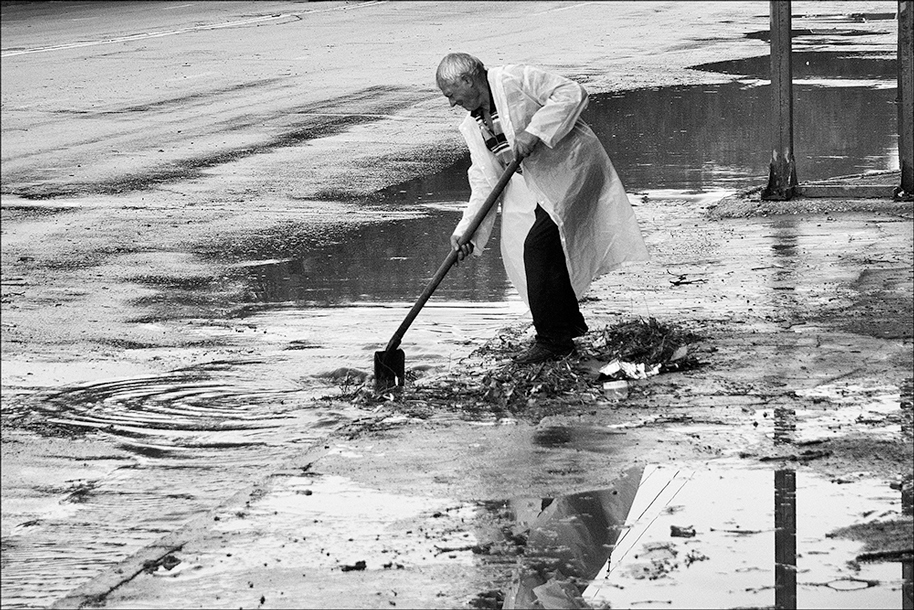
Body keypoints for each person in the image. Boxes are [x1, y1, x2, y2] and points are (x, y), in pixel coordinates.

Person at [437, 53, 649, 365]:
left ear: (467, 80)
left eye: (451, 94)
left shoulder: (514, 79)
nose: (452, 103)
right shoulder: (474, 127)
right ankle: (567, 326)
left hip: (574, 169)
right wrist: (466, 233)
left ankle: (553, 341)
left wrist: (535, 131)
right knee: (543, 250)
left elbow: (572, 93)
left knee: (537, 248)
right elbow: (484, 181)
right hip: (542, 186)